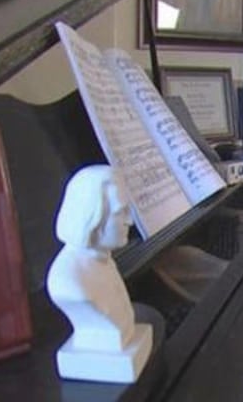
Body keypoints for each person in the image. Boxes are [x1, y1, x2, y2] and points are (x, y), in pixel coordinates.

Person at [47, 164, 152, 383]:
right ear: (93, 215)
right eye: (120, 212)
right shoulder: (67, 282)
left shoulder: (104, 261)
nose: (130, 221)